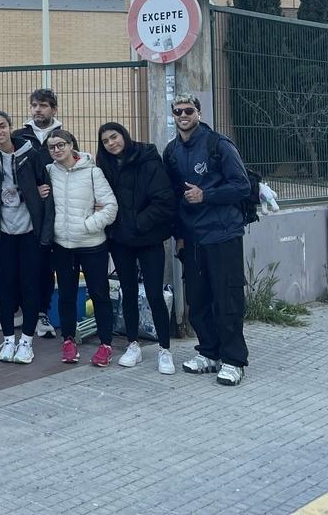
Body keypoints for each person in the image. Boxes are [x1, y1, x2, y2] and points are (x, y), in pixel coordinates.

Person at [162, 93, 252, 386]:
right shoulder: (172, 151)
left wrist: (207, 195)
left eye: (188, 110)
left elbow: (241, 186)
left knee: (227, 298)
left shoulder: (218, 145)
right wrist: (179, 236)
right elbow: (174, 198)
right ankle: (209, 352)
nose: (183, 115)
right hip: (192, 238)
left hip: (223, 233)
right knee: (198, 299)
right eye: (178, 111)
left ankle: (233, 360)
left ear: (198, 113)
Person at [97, 123, 177, 374]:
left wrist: (137, 224)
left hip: (149, 239)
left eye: (114, 137)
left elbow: (164, 200)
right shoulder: (104, 167)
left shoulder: (148, 160)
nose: (111, 143)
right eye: (106, 141)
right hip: (120, 241)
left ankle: (165, 349)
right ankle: (133, 345)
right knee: (127, 292)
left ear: (124, 135)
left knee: (154, 294)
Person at [0, 112, 53, 365]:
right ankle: (9, 339)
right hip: (3, 235)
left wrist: (44, 231)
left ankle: (27, 341)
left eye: (2, 126)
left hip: (30, 232)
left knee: (30, 286)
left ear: (11, 128)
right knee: (5, 288)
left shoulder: (31, 155)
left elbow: (46, 188)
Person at [47, 129, 118, 367]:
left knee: (99, 294)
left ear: (71, 145)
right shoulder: (49, 172)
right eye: (52, 147)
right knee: (66, 294)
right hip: (62, 245)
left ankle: (106, 344)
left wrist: (88, 226)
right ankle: (68, 340)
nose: (56, 150)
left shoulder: (92, 172)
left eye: (60, 145)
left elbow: (110, 206)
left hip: (91, 244)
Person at [11, 89, 64, 338]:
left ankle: (42, 313)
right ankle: (22, 310)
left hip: (54, 211)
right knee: (22, 265)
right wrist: (31, 189)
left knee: (45, 265)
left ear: (53, 108)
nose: (37, 110)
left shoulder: (62, 136)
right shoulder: (20, 136)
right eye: (34, 105)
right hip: (24, 211)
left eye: (43, 105)